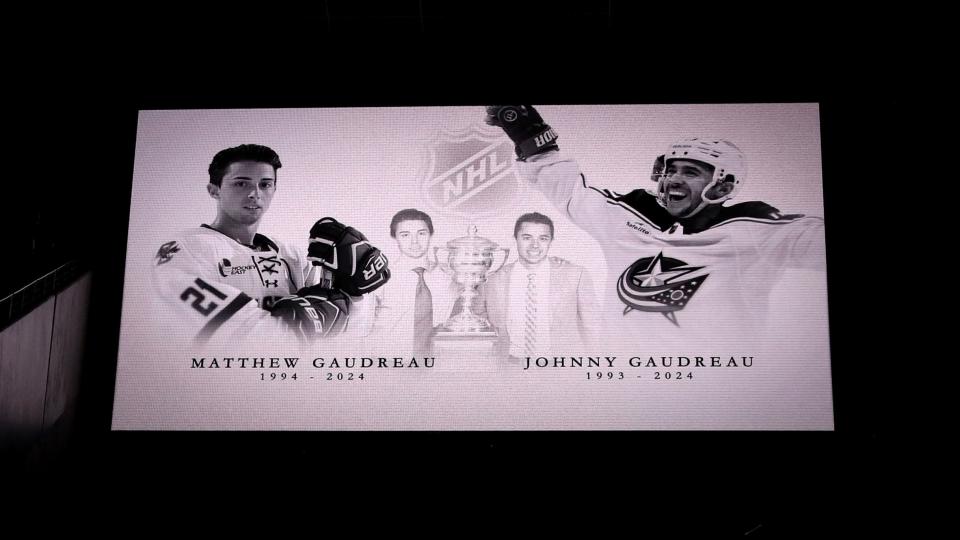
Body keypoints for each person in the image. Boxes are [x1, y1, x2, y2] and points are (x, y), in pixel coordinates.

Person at [484, 106, 826, 344]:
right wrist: (527, 130)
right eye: (671, 170)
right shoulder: (629, 216)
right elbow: (562, 183)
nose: (673, 179)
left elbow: (810, 241)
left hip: (719, 393)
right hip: (626, 389)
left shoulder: (758, 230)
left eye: (690, 172)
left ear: (723, 186)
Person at [151, 144, 389, 346]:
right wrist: (307, 325)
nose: (255, 193)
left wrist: (354, 290)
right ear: (214, 190)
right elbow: (245, 341)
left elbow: (347, 334)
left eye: (265, 184)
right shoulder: (185, 249)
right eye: (241, 184)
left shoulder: (291, 255)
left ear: (274, 189)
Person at [482, 212, 598, 357]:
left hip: (560, 370)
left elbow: (592, 327)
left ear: (551, 241)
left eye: (543, 238)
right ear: (515, 239)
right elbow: (477, 326)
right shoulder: (492, 278)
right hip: (508, 369)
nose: (535, 245)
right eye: (527, 238)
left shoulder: (576, 275)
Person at [369, 209, 455, 353]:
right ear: (394, 237)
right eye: (405, 235)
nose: (414, 241)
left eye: (421, 233)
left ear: (431, 235)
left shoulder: (449, 275)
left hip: (438, 364)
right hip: (389, 363)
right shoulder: (378, 278)